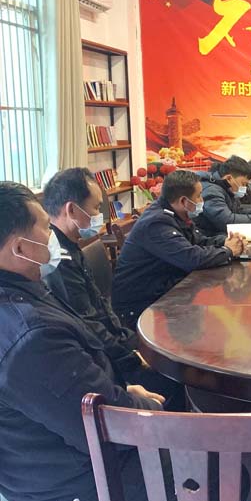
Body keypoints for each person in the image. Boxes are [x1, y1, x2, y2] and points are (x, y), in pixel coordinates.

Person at [0, 181, 166, 501]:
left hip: (49, 458)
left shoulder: (26, 292)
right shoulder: (30, 336)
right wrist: (146, 407)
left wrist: (120, 390)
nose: (52, 235)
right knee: (223, 475)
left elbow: (75, 387)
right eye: (45, 227)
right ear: (20, 247)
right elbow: (110, 425)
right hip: (75, 485)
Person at [42, 168, 184, 409]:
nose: (100, 215)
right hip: (101, 361)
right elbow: (89, 326)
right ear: (72, 210)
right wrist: (130, 357)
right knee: (176, 381)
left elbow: (101, 306)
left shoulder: (71, 246)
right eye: (96, 208)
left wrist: (130, 341)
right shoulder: (58, 261)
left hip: (113, 343)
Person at [112, 170, 243, 329]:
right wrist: (228, 251)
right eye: (198, 196)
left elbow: (198, 241)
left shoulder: (176, 214)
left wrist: (225, 242)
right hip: (140, 304)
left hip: (165, 289)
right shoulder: (157, 223)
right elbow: (191, 258)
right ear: (183, 201)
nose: (202, 201)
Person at [194, 156, 251, 237]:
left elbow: (237, 211)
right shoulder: (211, 190)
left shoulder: (226, 188)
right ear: (229, 178)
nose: (244, 188)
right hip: (209, 239)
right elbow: (226, 221)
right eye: (243, 184)